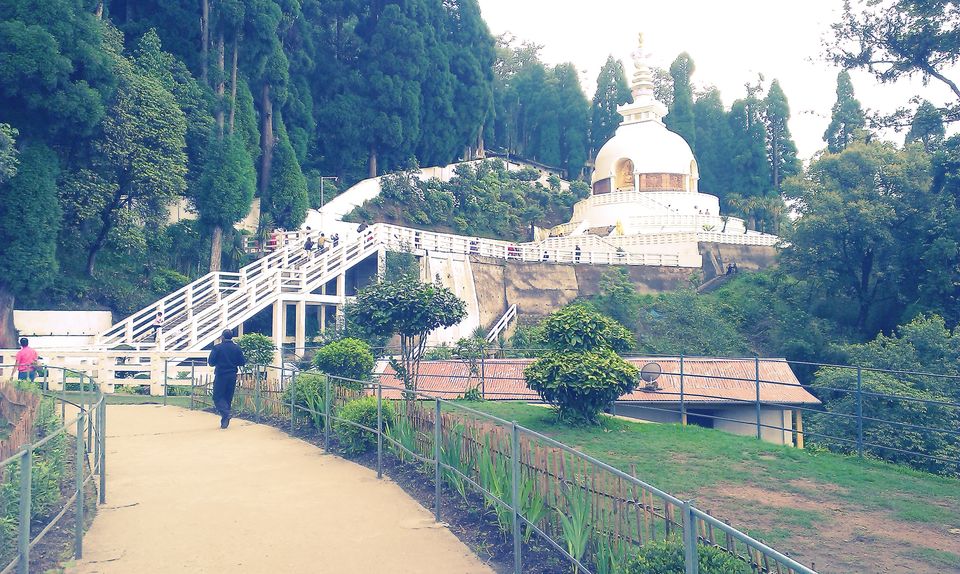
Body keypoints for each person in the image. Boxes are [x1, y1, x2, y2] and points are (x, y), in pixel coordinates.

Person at [208, 329, 247, 429]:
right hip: (232, 375)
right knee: (227, 398)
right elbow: (242, 362)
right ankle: (224, 422)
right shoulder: (237, 348)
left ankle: (226, 413)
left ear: (222, 337)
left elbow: (211, 362)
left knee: (217, 397)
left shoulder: (217, 348)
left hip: (221, 375)